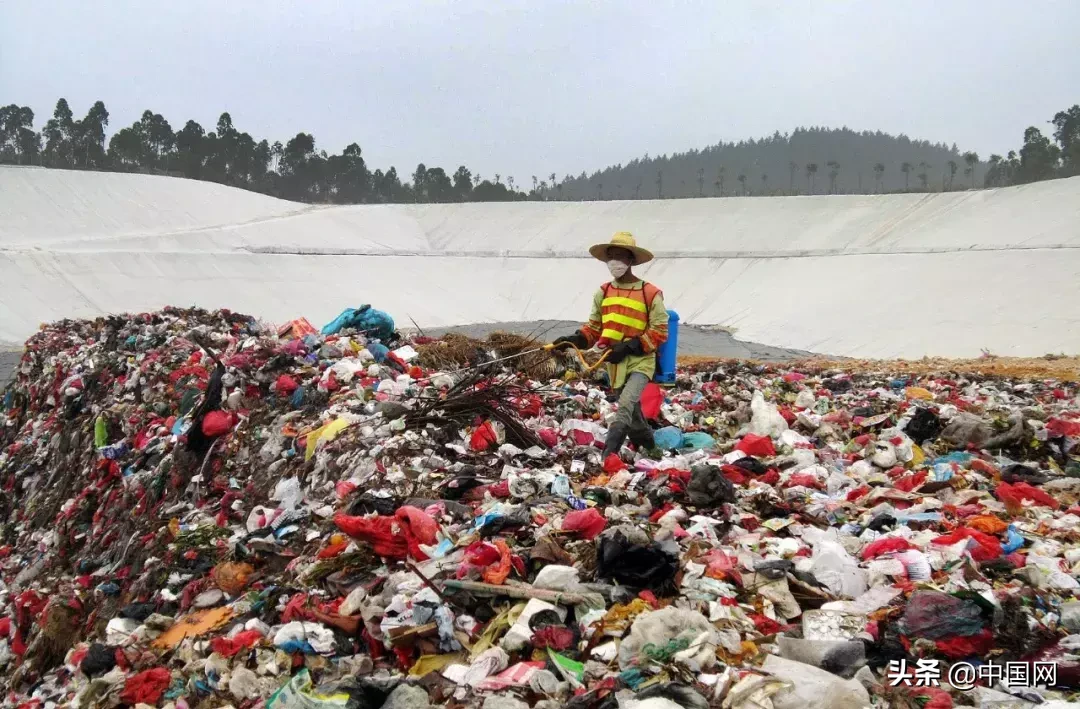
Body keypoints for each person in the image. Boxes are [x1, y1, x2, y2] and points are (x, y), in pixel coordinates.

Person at [552, 231, 668, 457]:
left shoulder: (650, 293)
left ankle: (608, 455)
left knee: (624, 405)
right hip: (614, 364)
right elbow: (594, 328)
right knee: (632, 412)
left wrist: (630, 345)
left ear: (631, 260)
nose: (615, 261)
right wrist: (573, 339)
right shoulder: (604, 292)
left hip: (641, 361)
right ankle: (652, 449)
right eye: (611, 256)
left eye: (621, 256)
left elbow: (660, 331)